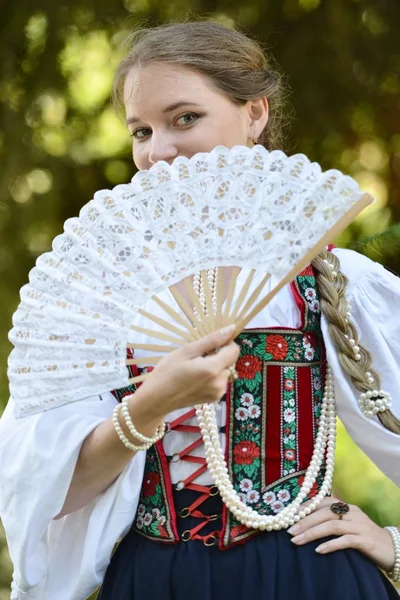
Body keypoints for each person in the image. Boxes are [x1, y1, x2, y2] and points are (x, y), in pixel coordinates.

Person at [0, 19, 399, 600]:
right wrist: (151, 404)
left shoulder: (334, 282)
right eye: (141, 130)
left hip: (306, 578)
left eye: (185, 118)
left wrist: (393, 543)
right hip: (156, 580)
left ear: (255, 113)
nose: (158, 151)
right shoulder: (102, 299)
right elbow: (45, 488)